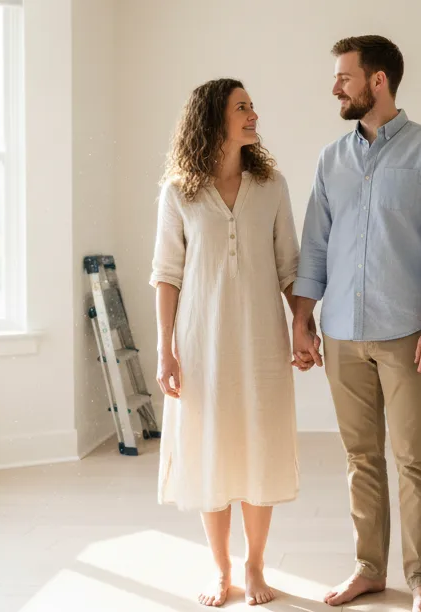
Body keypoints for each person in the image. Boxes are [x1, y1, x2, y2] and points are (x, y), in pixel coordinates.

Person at [291, 35, 421, 612]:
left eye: (344, 76)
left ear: (378, 81)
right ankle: (369, 568)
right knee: (360, 458)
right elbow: (313, 246)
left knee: (414, 457)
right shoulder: (330, 159)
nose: (335, 87)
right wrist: (302, 319)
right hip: (341, 331)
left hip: (407, 331)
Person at [150, 78, 316, 607]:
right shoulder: (179, 191)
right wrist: (165, 349)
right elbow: (166, 275)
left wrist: (301, 325)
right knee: (210, 453)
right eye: (241, 107)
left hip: (262, 343)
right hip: (201, 345)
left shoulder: (272, 186)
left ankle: (256, 565)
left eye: (251, 105)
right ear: (212, 118)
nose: (252, 113)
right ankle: (221, 570)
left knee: (260, 450)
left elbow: (290, 265)